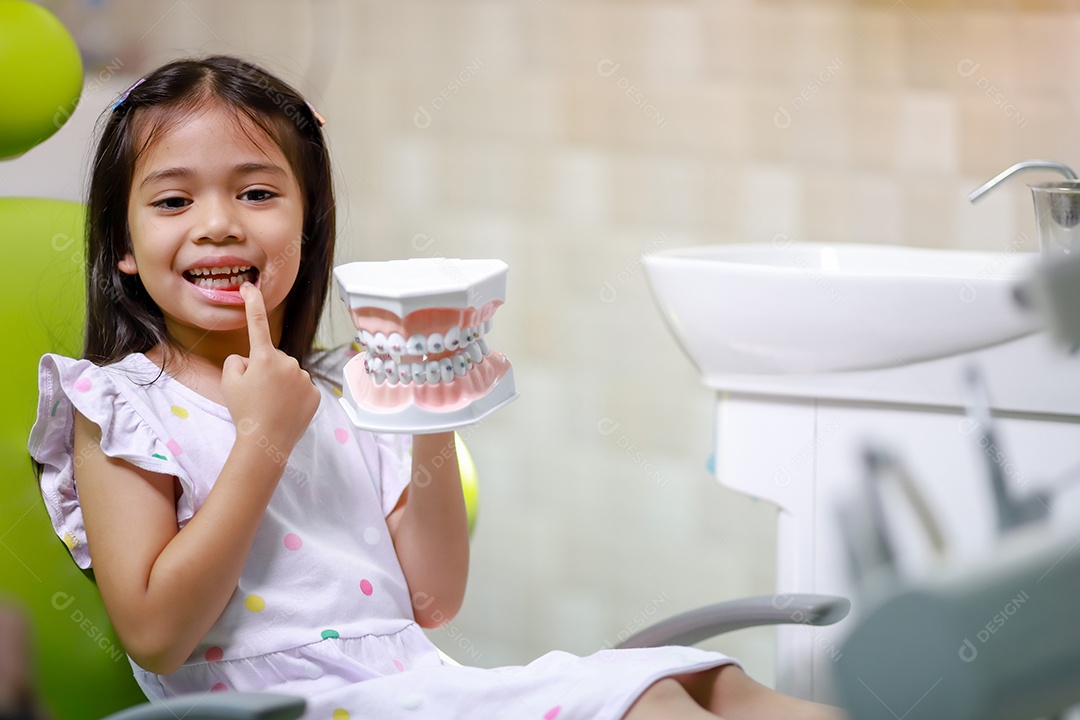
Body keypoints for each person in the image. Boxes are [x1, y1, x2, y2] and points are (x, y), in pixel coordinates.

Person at [28, 55, 843, 719]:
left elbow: (430, 599)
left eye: (257, 193)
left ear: (306, 231)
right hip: (285, 706)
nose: (218, 223)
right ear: (123, 246)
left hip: (414, 682)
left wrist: (427, 414)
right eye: (173, 200)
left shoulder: (341, 399)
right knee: (648, 709)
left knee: (709, 685)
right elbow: (157, 635)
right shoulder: (121, 408)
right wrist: (262, 439)